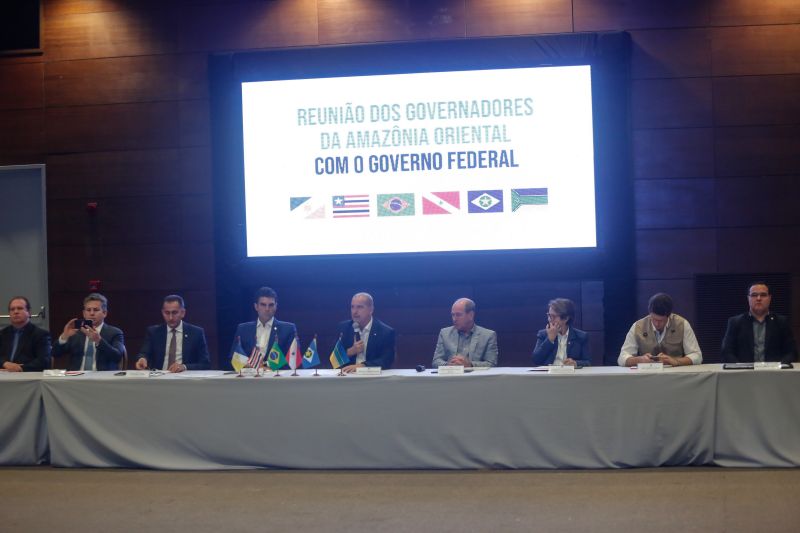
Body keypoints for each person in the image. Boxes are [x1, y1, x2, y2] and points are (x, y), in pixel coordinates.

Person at [720, 281, 798, 364]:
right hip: (744, 374)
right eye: (754, 295)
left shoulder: (781, 322)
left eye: (763, 295)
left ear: (769, 298)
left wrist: (779, 367)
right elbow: (726, 352)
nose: (758, 298)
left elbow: (792, 352)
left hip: (774, 374)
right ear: (748, 298)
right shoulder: (735, 322)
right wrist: (740, 368)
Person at [618, 293, 702, 367]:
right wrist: (640, 360)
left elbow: (697, 356)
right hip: (646, 376)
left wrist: (676, 361)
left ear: (669, 316)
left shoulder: (682, 324)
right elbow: (622, 358)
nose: (657, 324)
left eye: (661, 320)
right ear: (650, 313)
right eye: (654, 319)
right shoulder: (638, 326)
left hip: (675, 376)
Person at [135, 294, 210, 372]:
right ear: (162, 312)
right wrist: (142, 359)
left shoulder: (196, 333)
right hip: (159, 378)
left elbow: (205, 364)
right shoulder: (153, 332)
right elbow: (144, 353)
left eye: (174, 312)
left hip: (184, 379)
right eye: (167, 313)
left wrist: (184, 367)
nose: (170, 317)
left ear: (183, 313)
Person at [228, 286, 297, 369]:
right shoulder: (243, 329)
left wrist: (265, 366)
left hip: (276, 378)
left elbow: (293, 360)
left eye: (271, 305)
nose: (267, 309)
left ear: (276, 306)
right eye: (263, 305)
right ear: (256, 307)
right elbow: (233, 358)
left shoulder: (288, 329)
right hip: (249, 377)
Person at [52, 293, 125, 371]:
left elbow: (117, 357)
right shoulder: (76, 332)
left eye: (96, 310)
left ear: (104, 313)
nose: (92, 313)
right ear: (84, 313)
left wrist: (99, 341)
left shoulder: (114, 333)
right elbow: (55, 354)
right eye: (88, 310)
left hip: (103, 378)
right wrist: (64, 337)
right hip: (76, 378)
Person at [336, 292, 395, 373]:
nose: (354, 311)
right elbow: (332, 359)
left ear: (371, 310)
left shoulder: (385, 332)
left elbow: (386, 360)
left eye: (360, 307)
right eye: (352, 307)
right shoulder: (343, 328)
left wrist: (363, 366)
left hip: (373, 377)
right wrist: (350, 352)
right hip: (348, 376)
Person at [432, 298, 498, 368]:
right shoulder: (444, 333)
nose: (454, 319)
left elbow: (492, 364)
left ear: (471, 315)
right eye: (453, 315)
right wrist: (448, 365)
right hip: (450, 377)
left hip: (476, 378)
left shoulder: (488, 335)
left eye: (458, 315)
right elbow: (436, 361)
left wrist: (470, 365)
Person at [532, 298, 590, 367]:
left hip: (571, 375)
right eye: (549, 315)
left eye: (553, 316)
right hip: (549, 376)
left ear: (566, 318)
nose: (549, 319)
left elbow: (588, 362)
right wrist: (550, 340)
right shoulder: (543, 334)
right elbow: (536, 360)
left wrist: (576, 363)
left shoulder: (581, 336)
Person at [0, 296, 51, 372]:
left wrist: (21, 368)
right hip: (4, 375)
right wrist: (4, 363)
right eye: (12, 309)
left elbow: (44, 362)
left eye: (20, 308)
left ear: (29, 312)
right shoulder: (2, 334)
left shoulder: (41, 335)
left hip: (28, 377)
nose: (16, 312)